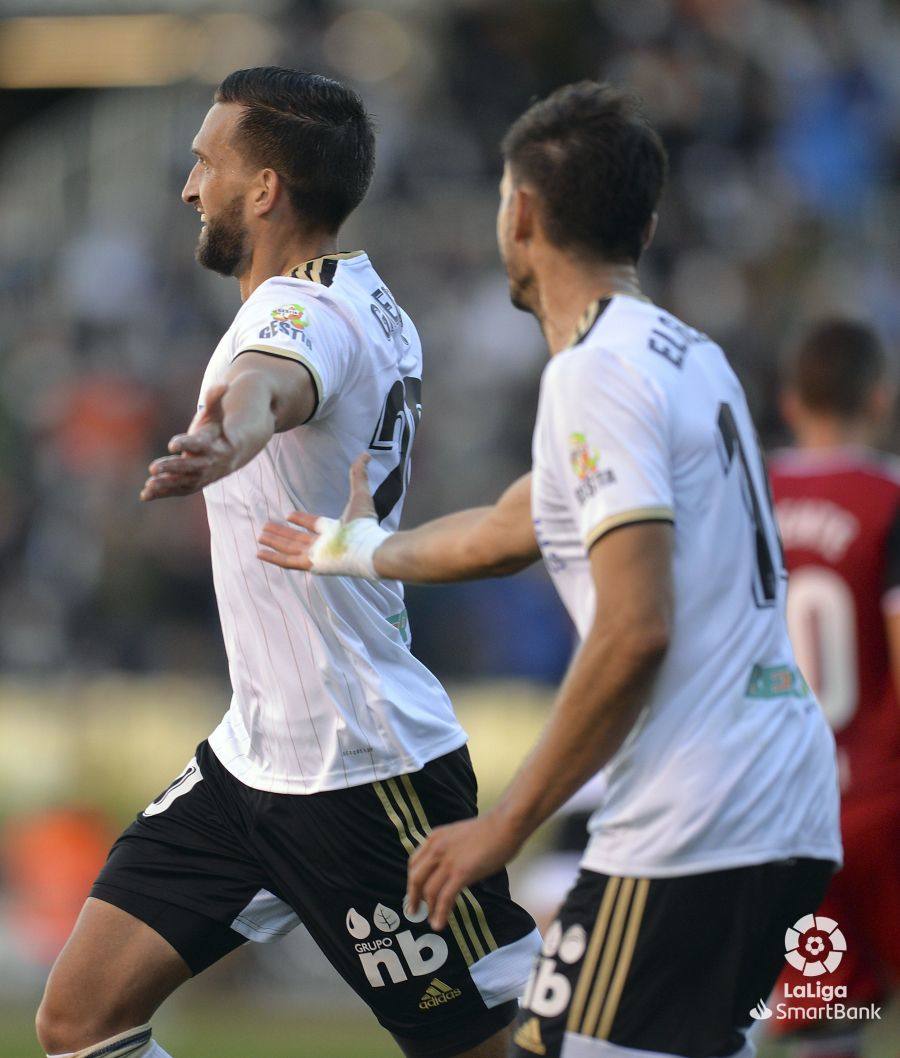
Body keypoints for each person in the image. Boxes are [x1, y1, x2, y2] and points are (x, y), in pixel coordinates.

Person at [258, 81, 843, 1058]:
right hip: (781, 796)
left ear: (519, 213)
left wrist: (506, 824)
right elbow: (511, 526)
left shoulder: (596, 373)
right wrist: (351, 546)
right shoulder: (685, 353)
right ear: (645, 222)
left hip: (699, 812)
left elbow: (635, 625)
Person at [35, 67, 539, 1058]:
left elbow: (275, 382)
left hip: (362, 764)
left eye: (206, 163)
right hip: (253, 759)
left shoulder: (291, 317)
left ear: (265, 189)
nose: (189, 188)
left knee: (486, 1046)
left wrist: (235, 428)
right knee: (79, 1021)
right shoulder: (371, 299)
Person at [767, 320, 900, 1058]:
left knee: (825, 1025)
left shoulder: (747, 496)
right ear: (878, 399)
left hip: (790, 814)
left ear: (791, 403)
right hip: (886, 799)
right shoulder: (888, 497)